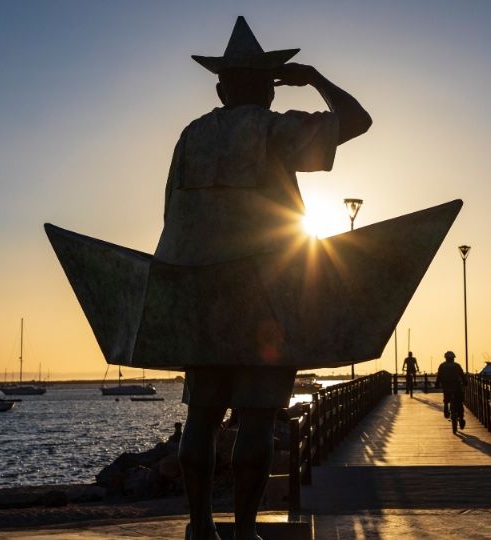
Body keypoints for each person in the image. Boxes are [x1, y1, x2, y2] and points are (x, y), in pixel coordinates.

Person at [161, 17, 371, 540]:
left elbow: (170, 215)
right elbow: (357, 120)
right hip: (265, 295)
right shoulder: (273, 128)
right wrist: (316, 76)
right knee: (256, 419)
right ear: (268, 89)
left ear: (219, 88)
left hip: (196, 291)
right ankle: (246, 531)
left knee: (202, 416)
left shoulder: (190, 136)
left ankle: (199, 526)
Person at [435, 351, 468, 429]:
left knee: (446, 398)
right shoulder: (457, 365)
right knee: (459, 402)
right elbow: (462, 375)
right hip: (456, 387)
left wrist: (437, 384)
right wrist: (465, 382)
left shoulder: (442, 366)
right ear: (453, 358)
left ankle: (446, 407)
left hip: (446, 386)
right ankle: (461, 418)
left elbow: (439, 376)